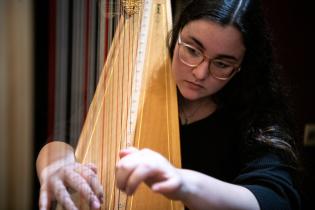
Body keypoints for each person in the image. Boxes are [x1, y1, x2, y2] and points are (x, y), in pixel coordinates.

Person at [36, 0, 301, 209]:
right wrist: (56, 166)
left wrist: (181, 183)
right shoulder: (137, 84)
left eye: (221, 64)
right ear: (176, 36)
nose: (199, 72)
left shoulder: (258, 116)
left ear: (242, 66)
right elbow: (63, 138)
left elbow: (274, 199)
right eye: (192, 50)